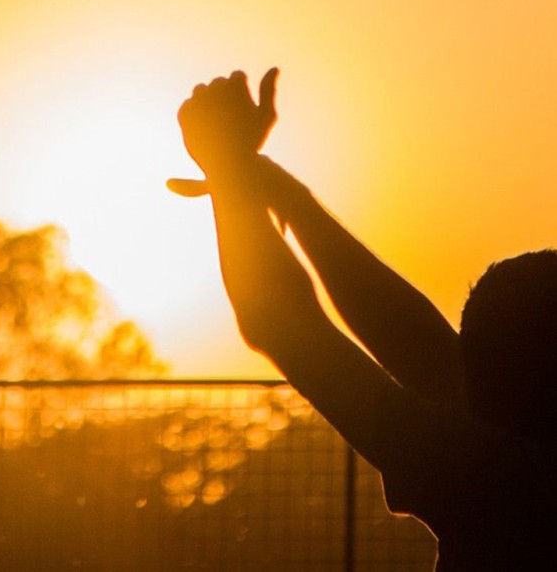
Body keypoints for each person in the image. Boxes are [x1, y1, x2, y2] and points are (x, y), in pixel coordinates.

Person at [168, 68, 557, 571]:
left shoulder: (500, 486)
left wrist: (226, 164)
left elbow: (280, 323)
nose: (456, 370)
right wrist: (278, 193)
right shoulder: (529, 453)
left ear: (497, 387)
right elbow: (419, 348)